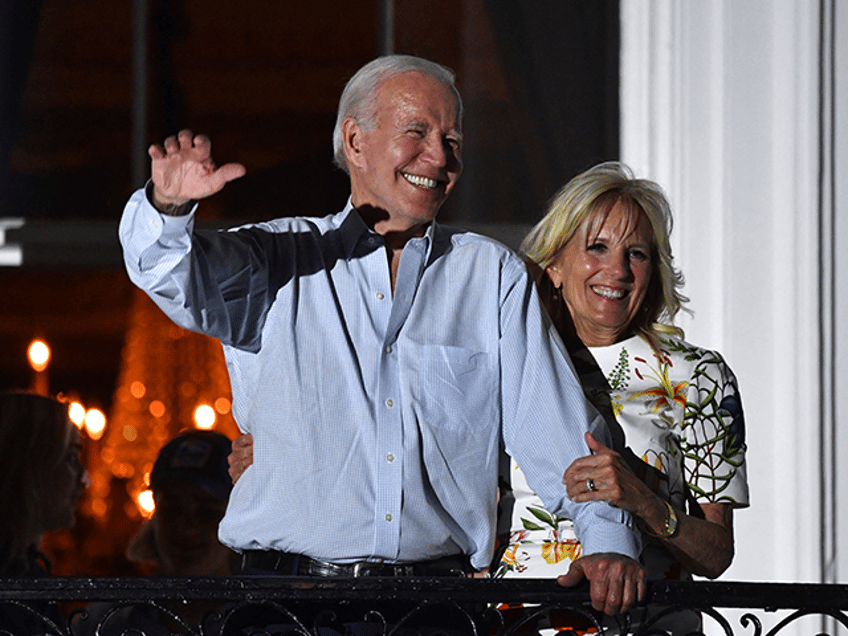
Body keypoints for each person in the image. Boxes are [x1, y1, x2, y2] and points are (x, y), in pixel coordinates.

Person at [118, 55, 645, 628]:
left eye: (452, 139)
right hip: (282, 608)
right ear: (355, 141)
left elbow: (563, 439)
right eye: (416, 133)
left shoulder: (492, 276)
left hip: (435, 611)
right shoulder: (276, 260)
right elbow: (171, 274)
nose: (439, 157)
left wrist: (609, 541)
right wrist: (167, 209)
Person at [492, 162, 749, 633]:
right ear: (554, 265)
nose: (617, 270)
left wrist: (645, 503)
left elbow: (716, 555)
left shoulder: (698, 376)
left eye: (637, 254)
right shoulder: (505, 363)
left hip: (650, 624)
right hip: (522, 623)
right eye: (597, 248)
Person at [77, 430, 238, 636]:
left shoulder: (265, 622)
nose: (185, 527)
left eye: (207, 512)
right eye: (172, 509)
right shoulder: (106, 622)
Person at [0, 391, 90, 632]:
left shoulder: (25, 569)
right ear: (29, 466)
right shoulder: (12, 583)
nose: (85, 479)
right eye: (71, 458)